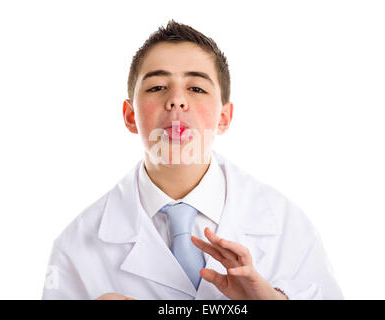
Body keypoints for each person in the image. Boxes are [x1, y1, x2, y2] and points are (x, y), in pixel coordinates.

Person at [42, 20, 344, 300]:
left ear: (224, 117)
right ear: (131, 116)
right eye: (157, 87)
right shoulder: (75, 247)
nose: (176, 99)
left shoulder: (285, 224)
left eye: (196, 88)